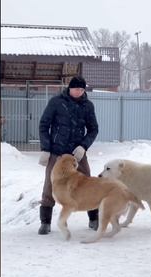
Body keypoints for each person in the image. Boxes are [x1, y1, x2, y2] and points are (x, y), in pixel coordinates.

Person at [38, 75, 99, 235]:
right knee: (50, 184)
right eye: (76, 89)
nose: (79, 92)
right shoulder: (56, 102)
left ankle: (94, 219)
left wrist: (83, 146)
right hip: (56, 152)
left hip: (77, 154)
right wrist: (45, 148)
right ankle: (45, 222)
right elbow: (44, 125)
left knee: (89, 184)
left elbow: (93, 129)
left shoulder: (88, 106)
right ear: (69, 88)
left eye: (81, 89)